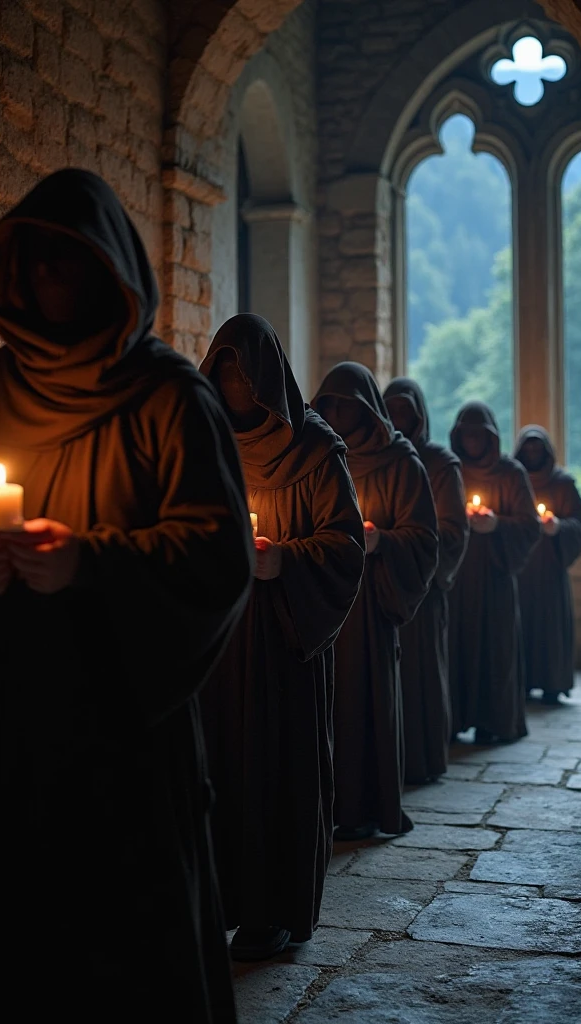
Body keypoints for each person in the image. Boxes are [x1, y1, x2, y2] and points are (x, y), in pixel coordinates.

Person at [0, 170, 253, 1018]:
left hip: (127, 729)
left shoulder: (167, 398)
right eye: (37, 265)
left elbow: (217, 552)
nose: (51, 283)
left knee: (130, 952)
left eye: (69, 264)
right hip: (12, 723)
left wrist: (91, 561)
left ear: (110, 270)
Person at [199, 315, 365, 962]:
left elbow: (345, 545)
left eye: (245, 369)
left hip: (281, 644)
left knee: (276, 769)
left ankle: (273, 910)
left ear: (269, 375)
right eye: (225, 368)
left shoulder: (314, 449)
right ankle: (215, 899)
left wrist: (284, 562)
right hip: (214, 644)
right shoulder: (200, 443)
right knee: (215, 769)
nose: (236, 381)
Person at [313, 363, 438, 840]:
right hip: (321, 598)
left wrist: (383, 541)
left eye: (347, 404)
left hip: (368, 604)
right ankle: (320, 805)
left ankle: (365, 808)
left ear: (368, 408)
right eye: (330, 404)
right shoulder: (317, 455)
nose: (338, 412)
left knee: (364, 702)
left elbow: (424, 538)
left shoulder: (400, 462)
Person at [384, 378, 469, 783]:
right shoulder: (374, 457)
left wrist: (406, 545)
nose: (399, 420)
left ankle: (420, 760)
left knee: (420, 676)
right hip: (380, 586)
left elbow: (452, 529)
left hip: (421, 587)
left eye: (406, 412)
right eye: (392, 411)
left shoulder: (438, 463)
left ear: (419, 416)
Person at [448, 402, 540, 745]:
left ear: (491, 437)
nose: (472, 442)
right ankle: (456, 718)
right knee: (457, 646)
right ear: (458, 436)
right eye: (466, 435)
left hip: (496, 578)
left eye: (478, 435)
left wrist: (497, 524)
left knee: (496, 649)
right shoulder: (451, 469)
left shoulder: (510, 473)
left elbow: (530, 525)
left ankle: (494, 720)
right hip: (457, 578)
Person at [514, 425, 581, 704]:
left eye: (538, 448)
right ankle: (521, 682)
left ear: (547, 452)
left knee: (549, 628)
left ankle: (551, 681)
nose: (533, 453)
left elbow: (580, 523)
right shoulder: (514, 481)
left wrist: (558, 528)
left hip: (549, 571)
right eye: (528, 449)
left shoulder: (562, 484)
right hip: (521, 570)